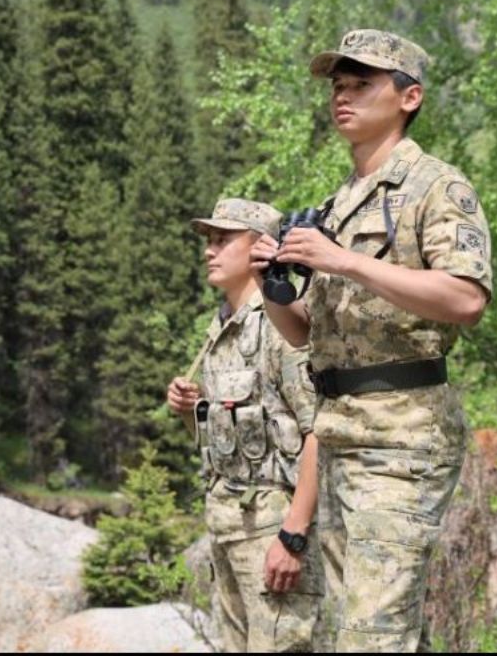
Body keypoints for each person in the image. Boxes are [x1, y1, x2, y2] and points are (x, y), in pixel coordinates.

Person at [250, 29, 493, 652]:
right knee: (367, 632)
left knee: (372, 637)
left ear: (409, 97)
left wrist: (346, 262)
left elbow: (466, 299)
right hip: (340, 435)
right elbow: (308, 335)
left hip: (402, 437)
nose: (343, 97)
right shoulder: (341, 203)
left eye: (362, 84)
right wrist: (273, 289)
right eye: (338, 86)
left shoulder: (437, 187)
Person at [167, 198, 323, 652]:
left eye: (222, 240)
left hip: (272, 535)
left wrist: (292, 536)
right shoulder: (222, 329)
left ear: (259, 247)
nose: (208, 251)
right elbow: (235, 441)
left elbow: (319, 431)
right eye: (207, 241)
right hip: (228, 532)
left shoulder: (281, 326)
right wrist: (190, 413)